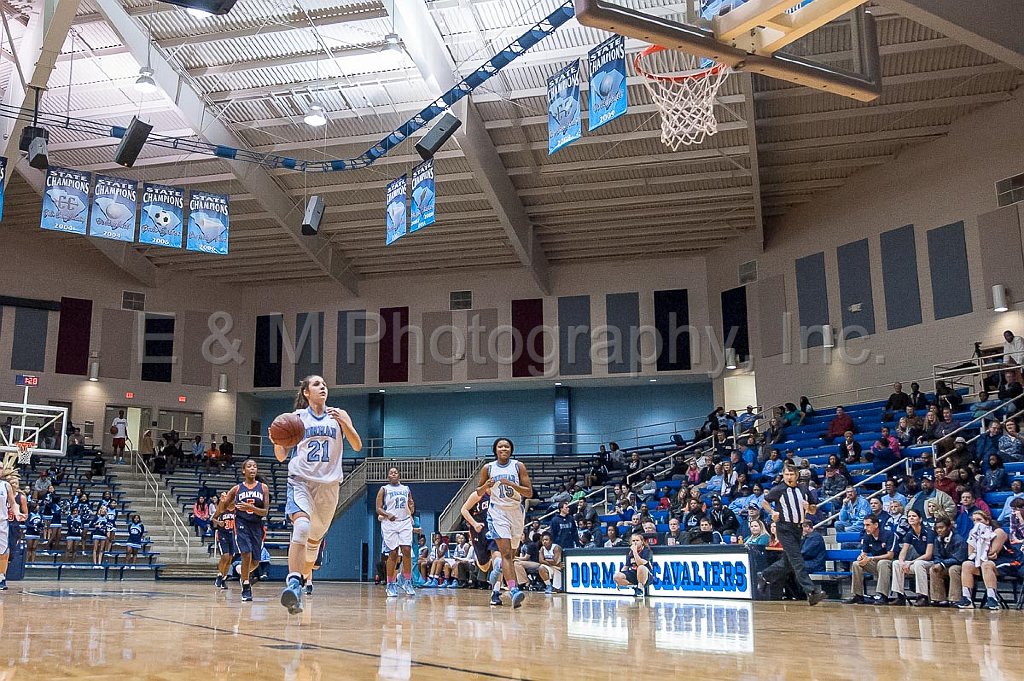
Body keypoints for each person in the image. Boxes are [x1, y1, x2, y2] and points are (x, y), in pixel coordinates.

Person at [271, 376, 362, 614]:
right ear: (306, 392)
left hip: (329, 488)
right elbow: (281, 456)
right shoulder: (297, 419)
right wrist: (276, 439)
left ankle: (304, 575)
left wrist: (346, 424)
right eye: (316, 384)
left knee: (313, 546)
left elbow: (357, 445)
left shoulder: (338, 415)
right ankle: (293, 583)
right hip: (300, 481)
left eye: (324, 384)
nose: (323, 387)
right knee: (301, 527)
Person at [475, 437, 532, 608]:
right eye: (500, 446)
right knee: (506, 553)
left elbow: (529, 492)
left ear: (511, 450)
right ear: (496, 450)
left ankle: (499, 570)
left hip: (515, 511)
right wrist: (486, 485)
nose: (504, 449)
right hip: (497, 512)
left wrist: (512, 484)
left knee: (511, 556)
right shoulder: (488, 468)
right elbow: (478, 492)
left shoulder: (518, 466)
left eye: (507, 446)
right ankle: (514, 590)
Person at [757, 464, 825, 605]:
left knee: (788, 563)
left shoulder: (804, 489)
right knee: (797, 559)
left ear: (797, 475)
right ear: (783, 475)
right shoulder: (779, 489)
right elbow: (764, 502)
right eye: (787, 474)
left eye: (792, 474)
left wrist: (809, 508)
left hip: (798, 528)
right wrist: (772, 512)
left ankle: (764, 575)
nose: (789, 477)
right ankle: (811, 592)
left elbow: (813, 510)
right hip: (784, 528)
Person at [215, 459, 270, 602]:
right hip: (241, 523)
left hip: (256, 525)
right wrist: (222, 500)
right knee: (246, 553)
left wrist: (251, 508)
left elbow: (265, 512)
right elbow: (222, 509)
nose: (253, 468)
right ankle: (246, 585)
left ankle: (242, 572)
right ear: (243, 470)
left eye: (255, 466)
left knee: (256, 561)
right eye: (249, 466)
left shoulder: (263, 488)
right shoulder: (237, 489)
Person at [957, 511, 1017, 610]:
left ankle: (992, 598)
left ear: (987, 521)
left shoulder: (998, 532)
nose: (977, 523)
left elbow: (991, 553)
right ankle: (967, 599)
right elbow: (970, 555)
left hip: (1006, 562)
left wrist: (978, 552)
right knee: (967, 564)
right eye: (974, 521)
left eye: (979, 520)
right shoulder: (973, 533)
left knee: (987, 564)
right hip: (984, 562)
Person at [376, 466, 416, 597]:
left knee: (407, 550)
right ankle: (390, 584)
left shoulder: (406, 489)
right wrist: (387, 514)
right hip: (390, 523)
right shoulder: (384, 489)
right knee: (393, 553)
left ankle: (407, 581)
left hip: (404, 521)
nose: (393, 474)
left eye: (395, 472)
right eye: (391, 472)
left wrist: (411, 512)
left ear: (399, 475)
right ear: (388, 476)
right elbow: (378, 508)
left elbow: (410, 502)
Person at [844, 515, 897, 604]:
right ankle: (858, 595)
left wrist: (871, 558)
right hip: (876, 563)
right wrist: (861, 557)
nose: (865, 528)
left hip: (892, 564)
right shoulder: (867, 536)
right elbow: (864, 553)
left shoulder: (889, 534)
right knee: (857, 564)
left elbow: (890, 555)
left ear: (876, 525)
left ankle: (883, 596)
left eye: (868, 525)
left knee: (883, 562)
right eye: (864, 525)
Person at [889, 508, 935, 606]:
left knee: (918, 564)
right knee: (896, 563)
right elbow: (903, 552)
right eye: (909, 516)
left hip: (932, 563)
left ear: (920, 519)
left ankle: (923, 597)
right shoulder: (910, 533)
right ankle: (900, 596)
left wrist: (910, 562)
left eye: (914, 516)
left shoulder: (929, 532)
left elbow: (928, 555)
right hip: (920, 563)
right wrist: (902, 562)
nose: (911, 518)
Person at [928, 517, 967, 607]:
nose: (939, 530)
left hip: (958, 564)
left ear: (949, 527)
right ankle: (938, 599)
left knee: (953, 570)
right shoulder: (937, 539)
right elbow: (937, 555)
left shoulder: (958, 539)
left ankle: (955, 599)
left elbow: (959, 558)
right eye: (937, 528)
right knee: (933, 569)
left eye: (941, 527)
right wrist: (938, 563)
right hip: (945, 564)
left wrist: (942, 564)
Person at [613, 532, 653, 598]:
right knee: (616, 576)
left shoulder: (647, 551)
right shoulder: (630, 552)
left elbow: (640, 563)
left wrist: (635, 552)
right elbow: (626, 566)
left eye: (637, 540)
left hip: (646, 575)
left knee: (641, 567)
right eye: (633, 541)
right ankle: (634, 587)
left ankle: (640, 588)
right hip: (634, 573)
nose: (635, 542)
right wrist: (618, 581)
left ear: (642, 542)